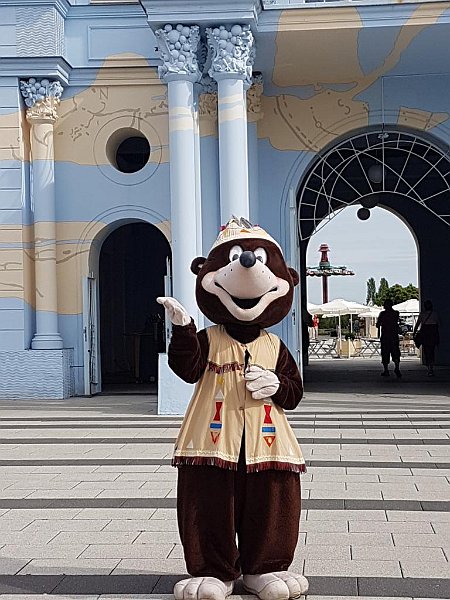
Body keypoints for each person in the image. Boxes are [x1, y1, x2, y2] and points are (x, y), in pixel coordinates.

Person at [376, 299, 402, 378]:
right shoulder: (396, 313)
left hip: (385, 336)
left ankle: (386, 370)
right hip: (394, 336)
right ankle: (397, 368)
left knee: (385, 353)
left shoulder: (382, 314)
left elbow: (377, 325)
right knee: (396, 353)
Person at [414, 300, 439, 376]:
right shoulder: (435, 314)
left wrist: (414, 332)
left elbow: (417, 324)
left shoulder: (422, 314)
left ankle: (429, 368)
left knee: (426, 350)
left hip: (425, 333)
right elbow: (438, 323)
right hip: (433, 333)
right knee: (432, 350)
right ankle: (431, 367)